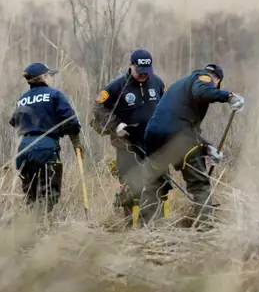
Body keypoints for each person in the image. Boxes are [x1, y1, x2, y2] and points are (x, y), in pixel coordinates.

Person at [139, 63, 244, 230]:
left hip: (153, 137)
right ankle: (204, 229)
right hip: (179, 138)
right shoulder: (203, 78)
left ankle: (150, 228)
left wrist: (208, 148)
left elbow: (178, 124)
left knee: (154, 184)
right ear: (217, 80)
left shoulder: (180, 85)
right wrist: (229, 96)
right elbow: (201, 92)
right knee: (199, 184)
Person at [90, 49, 167, 226]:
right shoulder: (117, 86)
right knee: (130, 184)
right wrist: (116, 125)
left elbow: (167, 105)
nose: (143, 76)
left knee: (157, 183)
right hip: (127, 145)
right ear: (131, 66)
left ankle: (156, 225)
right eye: (139, 71)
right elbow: (99, 108)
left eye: (146, 72)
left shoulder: (157, 83)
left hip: (153, 144)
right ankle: (129, 225)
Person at [9, 62, 85, 216]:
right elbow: (70, 121)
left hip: (23, 149)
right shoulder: (54, 95)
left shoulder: (22, 99)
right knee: (49, 194)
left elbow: (14, 122)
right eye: (50, 75)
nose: (52, 78)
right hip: (46, 148)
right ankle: (44, 227)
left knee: (31, 195)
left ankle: (31, 227)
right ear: (42, 77)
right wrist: (75, 141)